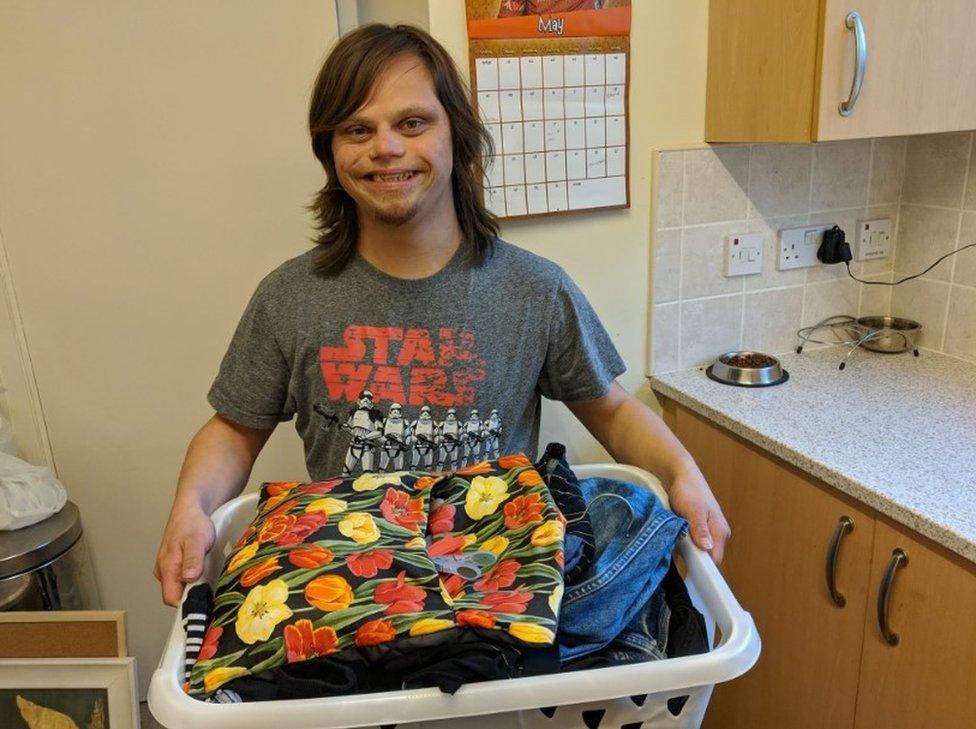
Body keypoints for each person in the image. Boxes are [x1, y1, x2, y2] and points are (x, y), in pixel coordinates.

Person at [153, 24, 729, 607]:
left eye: (412, 123)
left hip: (499, 588)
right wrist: (192, 508)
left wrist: (682, 473)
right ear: (331, 152)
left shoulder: (535, 289)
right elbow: (234, 429)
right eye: (358, 129)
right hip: (348, 593)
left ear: (457, 135)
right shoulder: (288, 298)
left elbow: (613, 410)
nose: (386, 148)